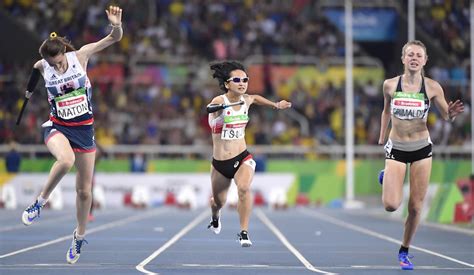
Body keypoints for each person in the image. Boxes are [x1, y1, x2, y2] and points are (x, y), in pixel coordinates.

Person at [20, 6, 123, 264]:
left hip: (85, 130)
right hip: (57, 127)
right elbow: (35, 68)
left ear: (65, 51)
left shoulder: (81, 55)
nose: (59, 66)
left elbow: (114, 39)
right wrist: (29, 91)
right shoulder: (44, 65)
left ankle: (78, 236)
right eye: (53, 64)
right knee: (65, 161)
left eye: (60, 61)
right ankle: (39, 203)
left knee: (85, 192)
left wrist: (116, 25)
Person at [378, 40, 464, 270]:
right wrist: (380, 137)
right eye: (410, 54)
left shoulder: (433, 87)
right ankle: (386, 176)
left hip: (421, 150)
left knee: (416, 207)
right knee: (390, 205)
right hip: (396, 148)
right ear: (403, 59)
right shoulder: (389, 85)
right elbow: (386, 110)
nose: (414, 58)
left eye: (419, 55)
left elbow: (446, 114)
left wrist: (451, 114)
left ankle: (404, 250)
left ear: (425, 60)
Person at [206, 60, 291, 247]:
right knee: (219, 202)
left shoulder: (246, 100)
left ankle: (243, 233)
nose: (242, 83)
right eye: (237, 80)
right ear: (227, 84)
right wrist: (216, 110)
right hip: (220, 164)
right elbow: (210, 108)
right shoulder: (220, 101)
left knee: (243, 188)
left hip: (242, 156)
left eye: (245, 79)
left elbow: (256, 98)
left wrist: (275, 105)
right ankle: (215, 215)